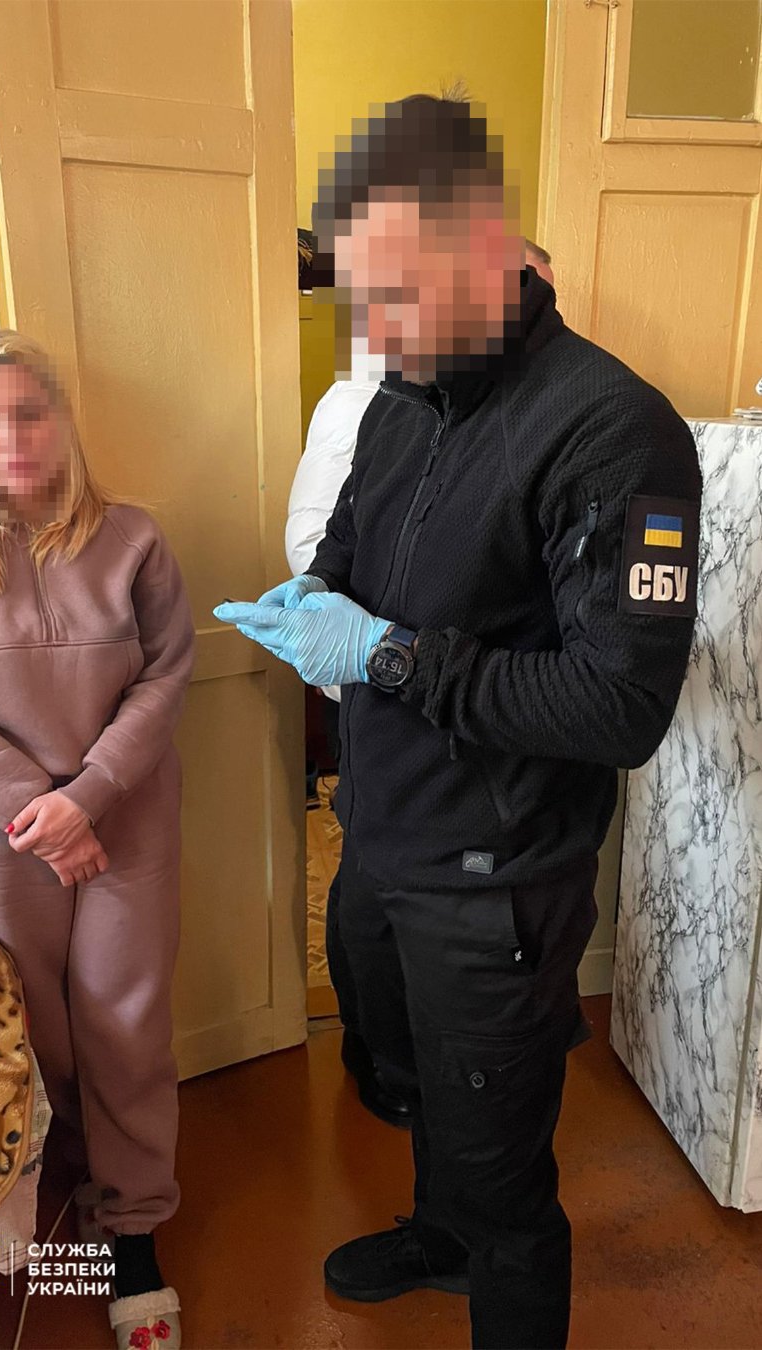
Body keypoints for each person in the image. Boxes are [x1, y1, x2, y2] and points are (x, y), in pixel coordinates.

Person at [216, 95, 701, 1349]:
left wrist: (386, 653)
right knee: (417, 1086)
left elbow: (620, 705)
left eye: (395, 295)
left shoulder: (614, 431)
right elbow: (347, 544)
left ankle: (495, 1267)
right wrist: (316, 596)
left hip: (498, 882)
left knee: (506, 1171)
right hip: (381, 837)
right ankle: (442, 1238)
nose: (372, 331)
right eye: (357, 301)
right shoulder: (400, 397)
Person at [0, 330, 194, 1350]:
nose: (11, 439)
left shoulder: (133, 538)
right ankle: (65, 1180)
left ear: (62, 420)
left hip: (124, 819)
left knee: (124, 1026)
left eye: (29, 414)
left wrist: (87, 799)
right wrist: (38, 812)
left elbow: (166, 676)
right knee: (40, 1031)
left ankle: (132, 1230)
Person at [287, 240, 557, 1130]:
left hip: (484, 729)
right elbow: (324, 533)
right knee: (370, 899)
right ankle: (384, 1064)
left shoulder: (566, 416)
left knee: (446, 926)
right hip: (381, 699)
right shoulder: (370, 403)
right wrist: (343, 626)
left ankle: (420, 1079)